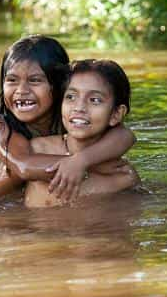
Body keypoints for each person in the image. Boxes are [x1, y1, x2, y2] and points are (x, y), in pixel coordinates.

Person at [0, 36, 135, 214]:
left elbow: (125, 135)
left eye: (35, 80)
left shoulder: (70, 111)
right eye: (11, 80)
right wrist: (88, 164)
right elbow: (21, 167)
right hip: (0, 195)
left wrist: (83, 160)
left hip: (46, 187)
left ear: (58, 86)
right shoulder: (0, 127)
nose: (21, 90)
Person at [24, 59, 140, 208]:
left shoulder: (122, 177)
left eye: (94, 100)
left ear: (116, 114)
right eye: (71, 97)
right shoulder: (36, 149)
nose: (79, 107)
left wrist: (82, 163)